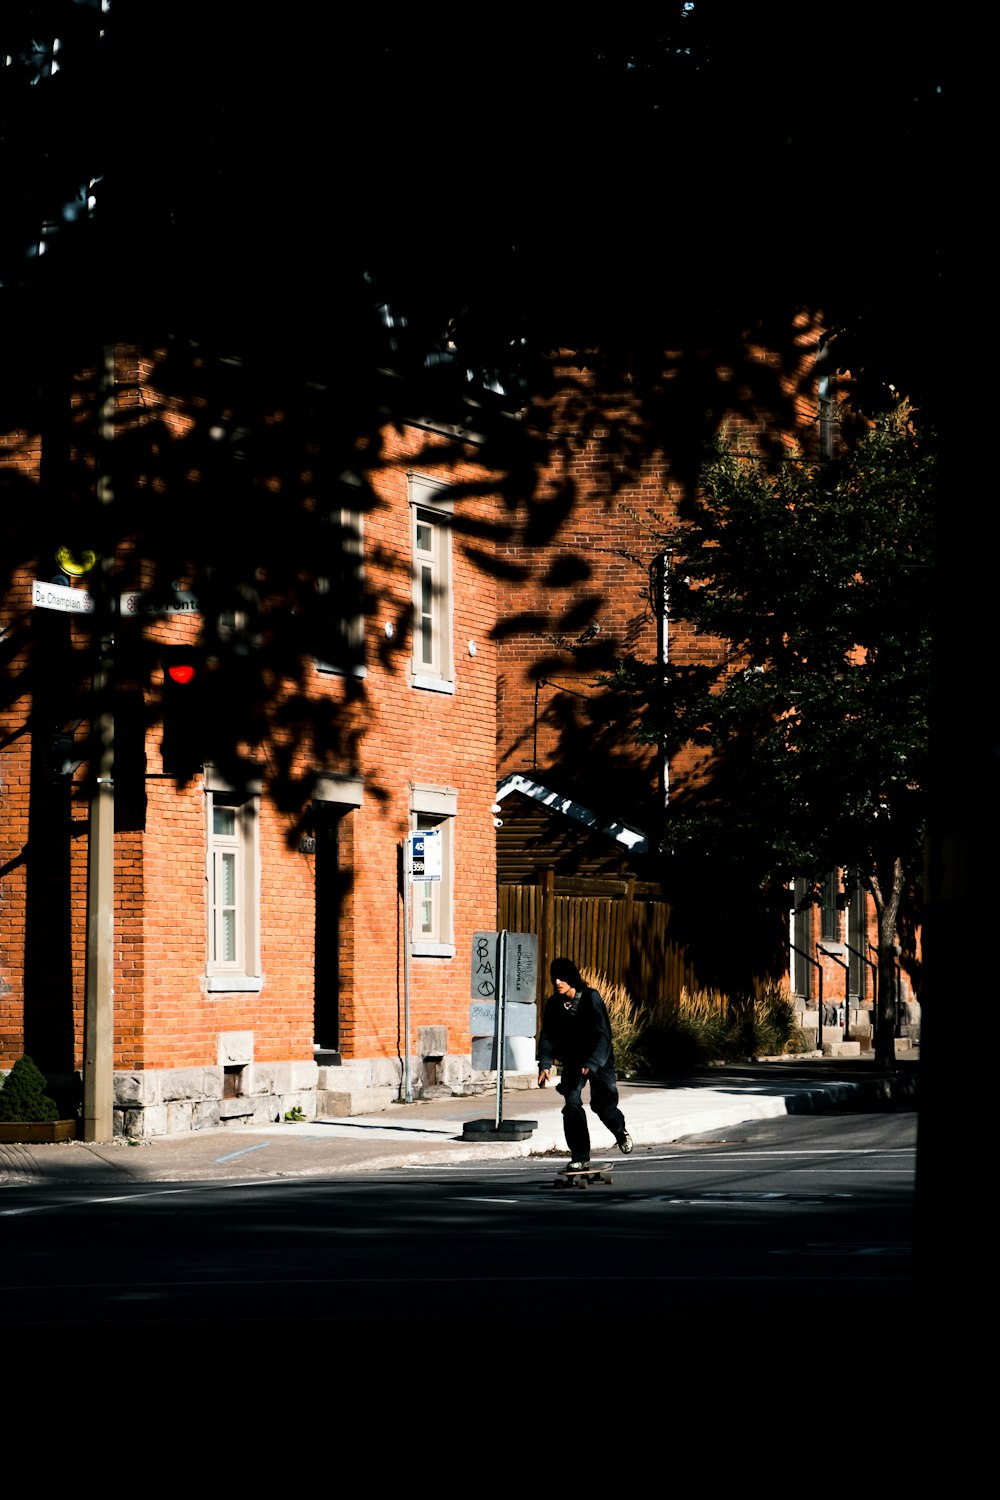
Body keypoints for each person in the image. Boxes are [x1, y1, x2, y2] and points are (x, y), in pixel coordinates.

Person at [537, 956, 633, 1169]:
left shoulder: (591, 998)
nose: (557, 983)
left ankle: (620, 1132)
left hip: (599, 1059)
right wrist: (544, 1064)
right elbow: (547, 1036)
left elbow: (603, 1035)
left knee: (603, 1106)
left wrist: (593, 1063)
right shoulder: (553, 1004)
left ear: (571, 978)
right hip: (573, 1061)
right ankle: (580, 1156)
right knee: (571, 1104)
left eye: (562, 978)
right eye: (555, 978)